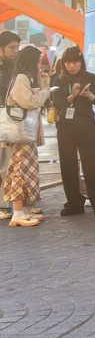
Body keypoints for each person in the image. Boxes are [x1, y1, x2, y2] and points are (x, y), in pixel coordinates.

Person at [52, 46, 95, 217]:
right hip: (65, 125)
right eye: (68, 62)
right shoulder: (58, 80)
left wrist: (88, 95)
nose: (72, 66)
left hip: (86, 124)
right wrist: (72, 96)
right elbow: (56, 103)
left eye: (75, 62)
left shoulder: (91, 77)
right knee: (68, 165)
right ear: (63, 64)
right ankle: (74, 203)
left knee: (91, 163)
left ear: (81, 62)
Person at [3, 45, 50, 227]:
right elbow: (29, 102)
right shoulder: (21, 78)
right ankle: (17, 213)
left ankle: (21, 211)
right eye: (37, 61)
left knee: (23, 169)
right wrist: (45, 93)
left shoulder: (25, 77)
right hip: (21, 133)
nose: (39, 65)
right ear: (30, 61)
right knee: (20, 171)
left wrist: (44, 87)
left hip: (25, 133)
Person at [0, 30, 22, 220]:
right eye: (11, 47)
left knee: (9, 163)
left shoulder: (17, 67)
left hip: (11, 120)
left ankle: (10, 203)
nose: (15, 51)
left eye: (17, 47)